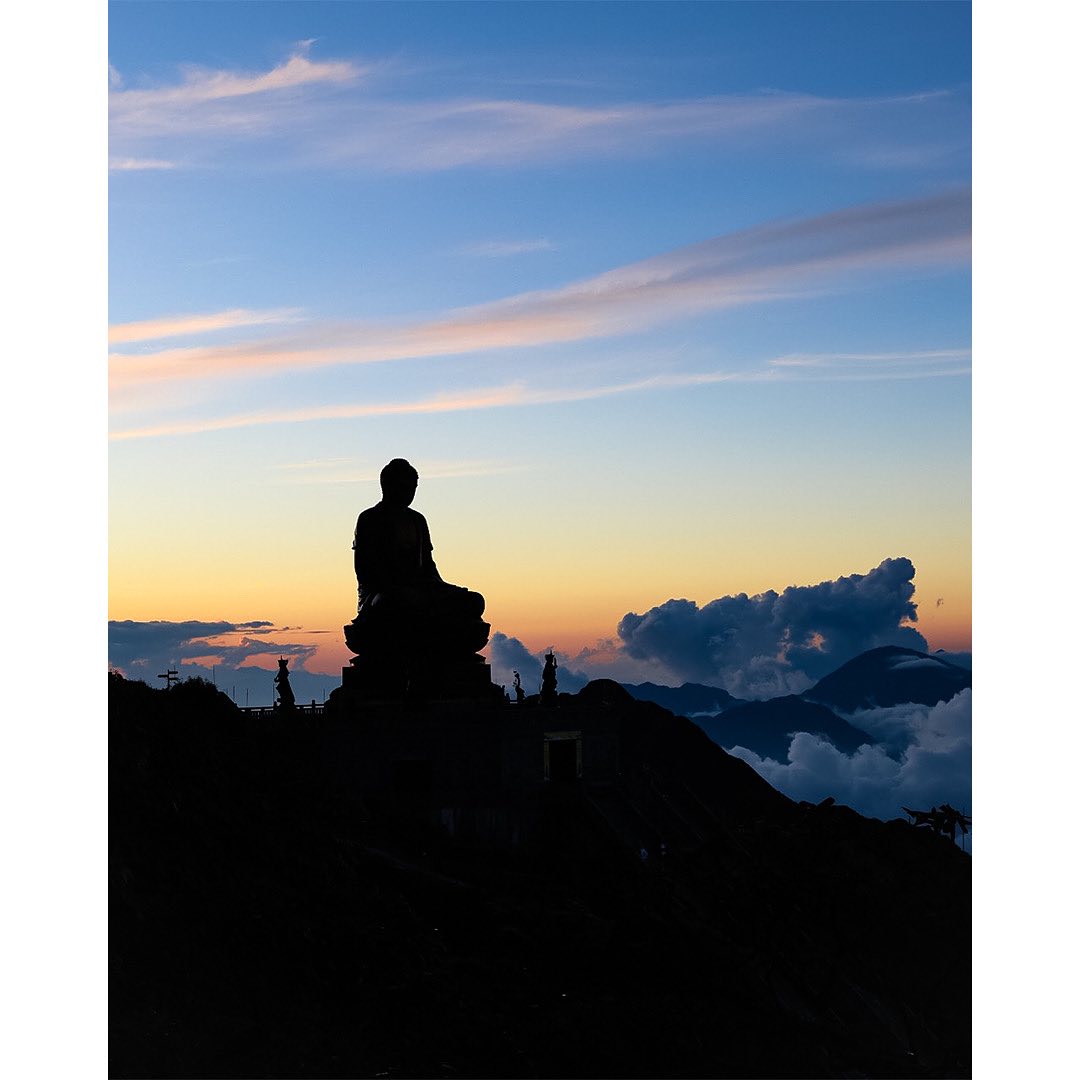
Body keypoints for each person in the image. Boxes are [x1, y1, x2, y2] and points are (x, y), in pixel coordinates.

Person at [352, 458, 485, 628]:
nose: (409, 493)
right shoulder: (370, 518)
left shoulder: (417, 520)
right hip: (382, 593)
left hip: (421, 588)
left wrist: (441, 587)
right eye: (403, 487)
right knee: (395, 601)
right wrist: (400, 586)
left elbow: (428, 565)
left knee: (475, 601)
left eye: (412, 488)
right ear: (386, 486)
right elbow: (364, 570)